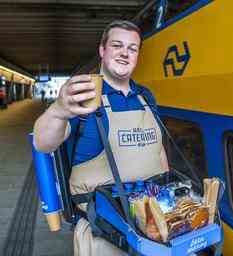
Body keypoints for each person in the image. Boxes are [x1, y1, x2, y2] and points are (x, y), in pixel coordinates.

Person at [33, 20, 169, 256]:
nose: (125, 53)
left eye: (132, 48)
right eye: (117, 45)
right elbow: (43, 143)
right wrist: (58, 110)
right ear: (102, 50)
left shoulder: (146, 97)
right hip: (104, 236)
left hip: (154, 226)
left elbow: (159, 152)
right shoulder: (85, 95)